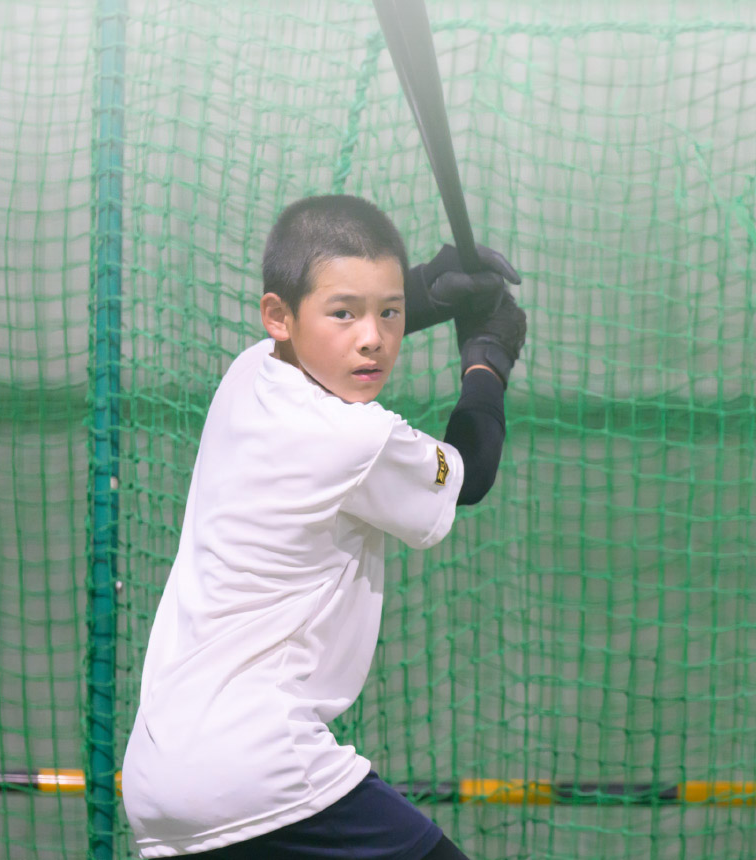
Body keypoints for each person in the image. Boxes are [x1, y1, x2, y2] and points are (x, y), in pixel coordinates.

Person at [121, 194, 526, 860]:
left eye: (389, 313)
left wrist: (430, 288)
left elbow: (336, 328)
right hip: (260, 772)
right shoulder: (353, 437)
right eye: (346, 313)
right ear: (279, 316)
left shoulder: (250, 372)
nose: (372, 338)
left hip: (160, 784)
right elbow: (469, 473)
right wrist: (488, 358)